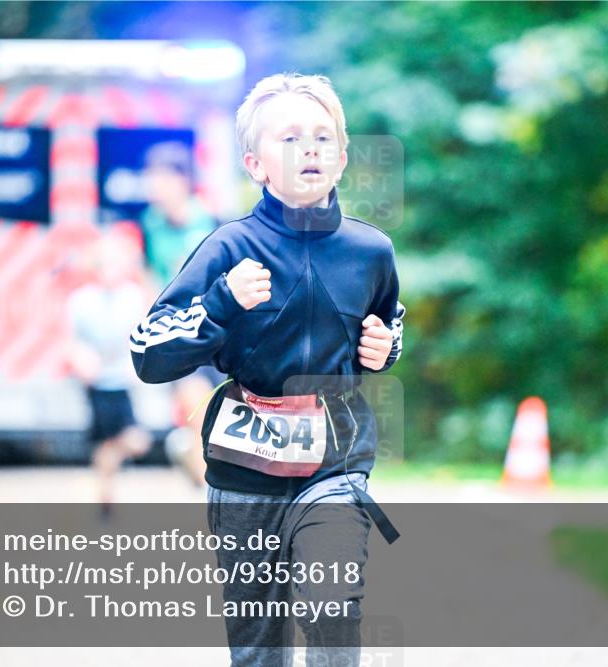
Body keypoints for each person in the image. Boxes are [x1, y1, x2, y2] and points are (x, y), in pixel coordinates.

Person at [129, 73, 405, 666]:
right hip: (244, 474)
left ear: (342, 158)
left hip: (334, 466)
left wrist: (385, 347)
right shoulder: (227, 249)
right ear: (256, 165)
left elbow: (387, 324)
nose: (310, 149)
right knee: (258, 648)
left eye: (323, 137)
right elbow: (147, 352)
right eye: (290, 138)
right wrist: (220, 303)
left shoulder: (371, 252)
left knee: (332, 605)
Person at [139, 140, 225, 486]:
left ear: (182, 181)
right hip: (178, 333)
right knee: (195, 406)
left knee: (217, 416)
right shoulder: (150, 224)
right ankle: (209, 491)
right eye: (150, 178)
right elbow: (148, 273)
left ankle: (189, 454)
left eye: (160, 178)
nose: (153, 186)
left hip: (218, 330)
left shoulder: (211, 221)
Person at [67, 234, 152, 517]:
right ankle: (105, 497)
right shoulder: (81, 301)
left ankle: (104, 491)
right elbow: (73, 341)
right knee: (107, 442)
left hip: (123, 382)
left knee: (133, 441)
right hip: (98, 383)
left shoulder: (133, 297)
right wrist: (80, 359)